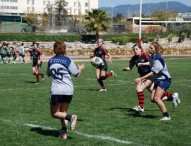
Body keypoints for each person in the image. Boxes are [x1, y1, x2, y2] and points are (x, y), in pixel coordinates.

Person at [122, 44, 180, 112]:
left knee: (139, 88)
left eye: (136, 49)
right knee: (154, 97)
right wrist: (126, 69)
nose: (135, 51)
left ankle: (141, 107)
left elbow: (151, 63)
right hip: (144, 77)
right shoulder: (134, 58)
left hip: (150, 76)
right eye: (134, 49)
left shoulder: (145, 55)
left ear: (141, 49)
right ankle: (172, 96)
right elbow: (130, 67)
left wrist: (142, 64)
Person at [46, 41, 85, 139]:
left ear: (54, 49)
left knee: (55, 113)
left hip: (57, 90)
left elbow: (48, 73)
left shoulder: (51, 60)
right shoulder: (67, 60)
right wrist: (80, 68)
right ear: (64, 49)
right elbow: (77, 74)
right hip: (68, 90)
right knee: (63, 113)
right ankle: (63, 133)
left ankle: (71, 117)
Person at [135, 41, 177, 121]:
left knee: (157, 98)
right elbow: (151, 66)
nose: (149, 49)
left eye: (151, 48)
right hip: (158, 80)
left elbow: (152, 73)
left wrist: (141, 78)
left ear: (155, 49)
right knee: (152, 99)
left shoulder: (158, 59)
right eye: (149, 47)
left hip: (165, 79)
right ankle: (172, 97)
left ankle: (167, 116)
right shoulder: (151, 57)